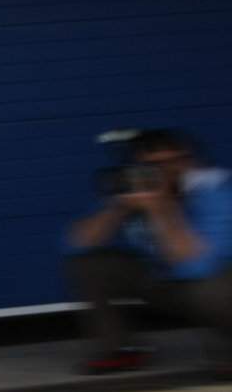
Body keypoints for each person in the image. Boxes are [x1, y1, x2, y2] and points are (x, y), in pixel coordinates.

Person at [65, 128, 232, 373]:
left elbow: (197, 265)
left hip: (217, 283)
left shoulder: (216, 191)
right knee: (90, 264)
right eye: (153, 165)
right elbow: (75, 244)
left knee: (208, 290)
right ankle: (120, 349)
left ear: (190, 161)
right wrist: (117, 208)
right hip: (170, 282)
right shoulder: (135, 189)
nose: (166, 170)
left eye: (173, 161)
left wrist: (161, 209)